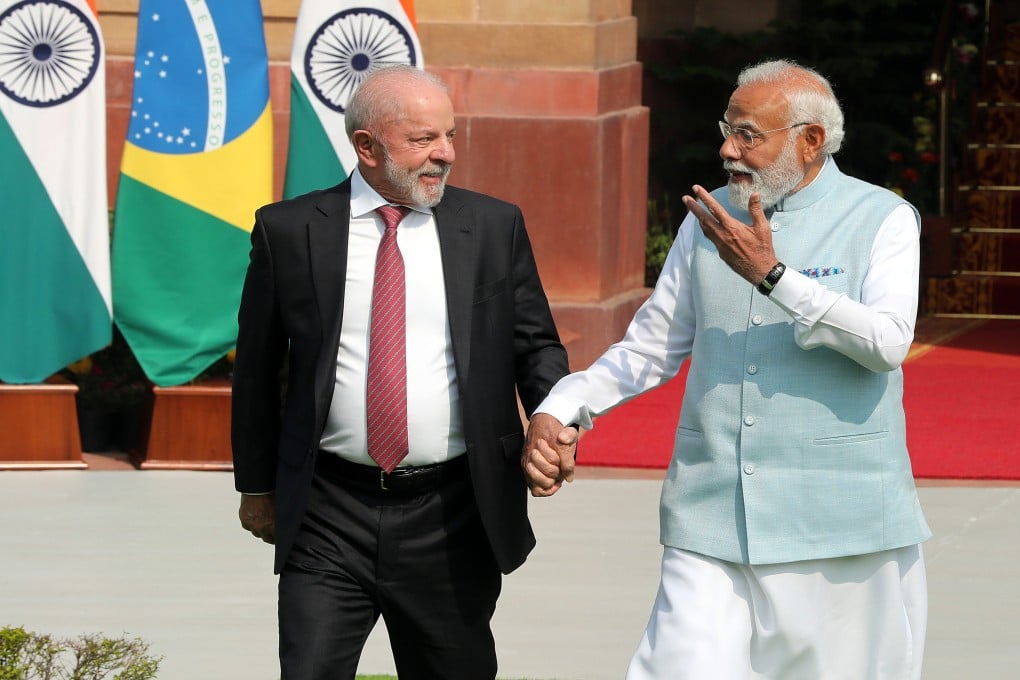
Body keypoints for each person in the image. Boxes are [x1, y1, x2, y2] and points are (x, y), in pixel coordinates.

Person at [524, 59, 932, 679]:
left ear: (810, 140)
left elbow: (887, 343)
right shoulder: (708, 219)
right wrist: (562, 405)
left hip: (841, 524)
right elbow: (649, 348)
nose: (727, 150)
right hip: (709, 514)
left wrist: (774, 277)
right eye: (727, 130)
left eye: (747, 135)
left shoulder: (882, 218)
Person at [232, 64, 569, 680]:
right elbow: (257, 369)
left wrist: (554, 418)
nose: (446, 154)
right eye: (423, 139)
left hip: (452, 513)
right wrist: (255, 486)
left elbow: (537, 346)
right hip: (327, 511)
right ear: (367, 147)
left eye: (449, 135)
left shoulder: (492, 226)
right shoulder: (289, 230)